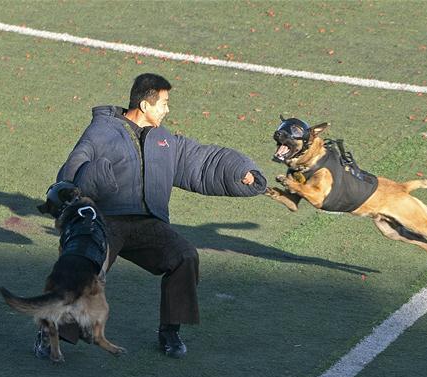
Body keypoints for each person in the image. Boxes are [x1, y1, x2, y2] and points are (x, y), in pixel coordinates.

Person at [34, 73, 267, 359]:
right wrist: (92, 179)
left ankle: (170, 332)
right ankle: (50, 335)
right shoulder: (101, 132)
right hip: (105, 224)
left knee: (185, 257)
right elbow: (71, 173)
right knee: (86, 269)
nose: (167, 110)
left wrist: (239, 171)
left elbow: (200, 161)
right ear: (145, 105)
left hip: (147, 225)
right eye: (164, 103)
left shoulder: (164, 141)